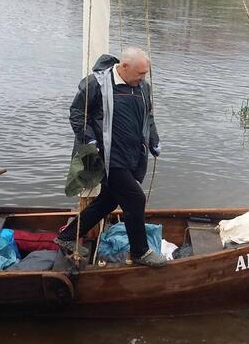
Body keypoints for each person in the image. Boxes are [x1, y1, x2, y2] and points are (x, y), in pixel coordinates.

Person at [55, 47, 166, 268]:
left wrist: (154, 140)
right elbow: (77, 114)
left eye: (145, 73)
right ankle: (140, 252)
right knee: (135, 199)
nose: (143, 78)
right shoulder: (96, 83)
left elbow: (148, 117)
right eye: (140, 73)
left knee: (109, 200)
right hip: (106, 156)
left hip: (131, 154)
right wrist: (89, 141)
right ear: (124, 66)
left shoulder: (143, 87)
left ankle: (66, 237)